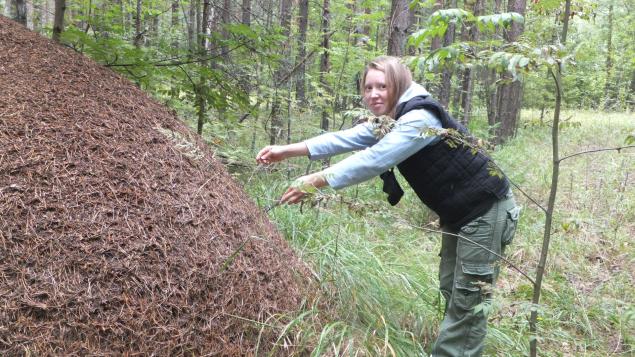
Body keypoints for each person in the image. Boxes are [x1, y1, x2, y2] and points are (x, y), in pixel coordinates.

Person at [256, 56, 520, 356]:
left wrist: (315, 180)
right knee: (453, 290)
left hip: (486, 210)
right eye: (368, 87)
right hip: (458, 215)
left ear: (399, 85)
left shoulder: (420, 118)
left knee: (468, 302)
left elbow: (375, 159)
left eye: (382, 86)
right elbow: (347, 138)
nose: (373, 94)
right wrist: (285, 151)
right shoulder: (394, 117)